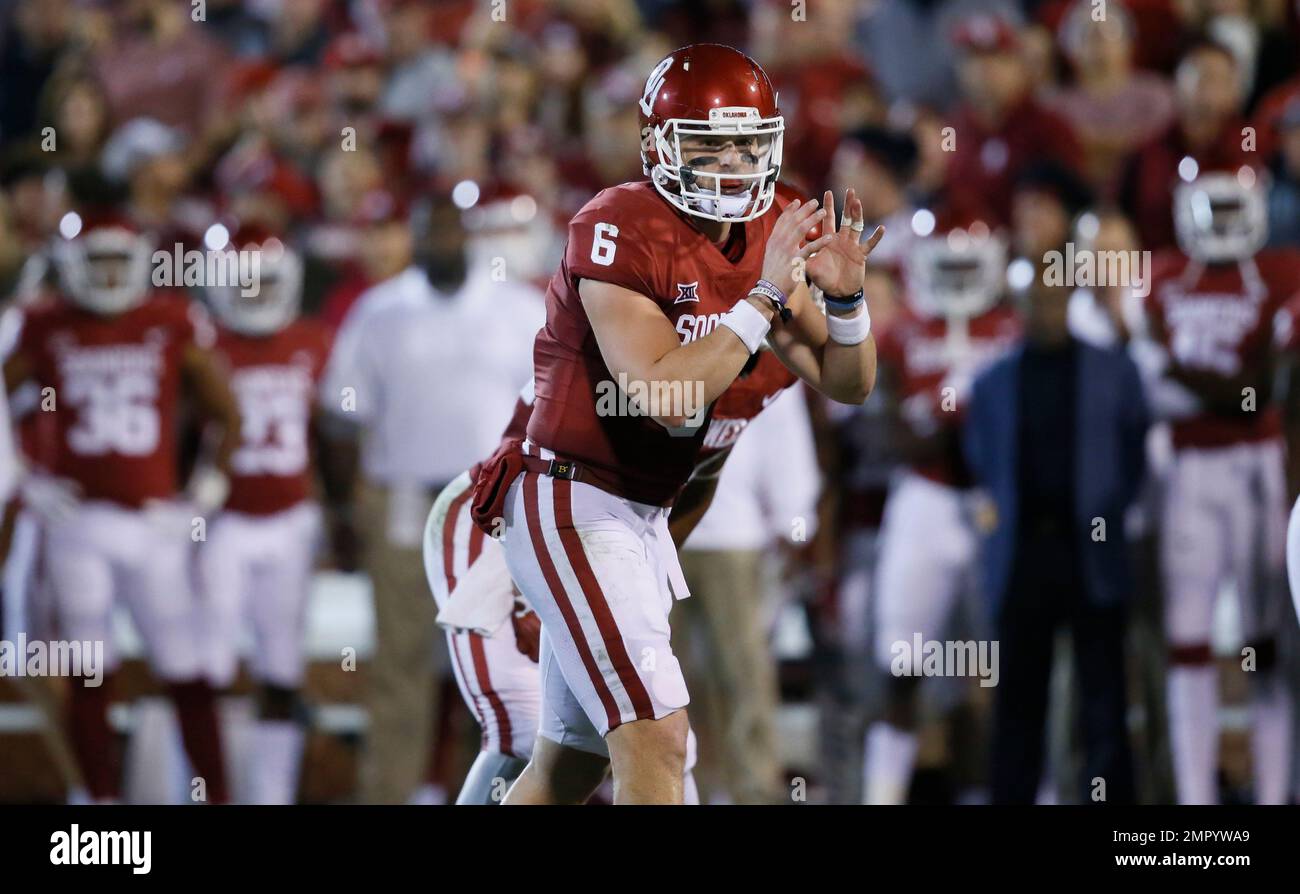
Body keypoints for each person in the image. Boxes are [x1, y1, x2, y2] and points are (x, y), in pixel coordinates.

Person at [494, 42, 881, 806]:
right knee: (658, 734)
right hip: (574, 499)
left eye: (749, 146)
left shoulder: (774, 222)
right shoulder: (617, 223)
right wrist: (766, 297)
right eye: (709, 147)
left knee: (570, 767)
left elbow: (849, 382)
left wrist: (845, 303)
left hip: (645, 516)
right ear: (658, 146)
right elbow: (662, 394)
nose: (734, 166)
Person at [2, 211, 240, 804]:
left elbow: (227, 415)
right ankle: (99, 806)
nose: (108, 276)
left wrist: (203, 495)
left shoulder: (170, 320)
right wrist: (23, 481)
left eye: (118, 261)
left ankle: (214, 796)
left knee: (187, 670)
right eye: (97, 262)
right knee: (89, 669)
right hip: (75, 521)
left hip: (152, 523)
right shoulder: (43, 323)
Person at [319, 188, 543, 804]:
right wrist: (343, 508)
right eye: (428, 232)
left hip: (500, 509)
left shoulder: (518, 307)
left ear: (467, 236)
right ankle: (390, 794)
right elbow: (341, 416)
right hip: (406, 504)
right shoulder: (380, 311)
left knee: (507, 674)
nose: (438, 243)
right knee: (401, 668)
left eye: (448, 231)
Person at [1141, 173, 1300, 804]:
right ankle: (1195, 804)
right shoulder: (1163, 278)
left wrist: (1185, 373)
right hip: (1187, 468)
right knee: (1188, 640)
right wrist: (1223, 386)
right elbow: (1224, 387)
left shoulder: (1280, 274)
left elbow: (1260, 392)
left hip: (1257, 463)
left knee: (1266, 640)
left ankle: (1273, 796)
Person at [964, 261, 1148, 805]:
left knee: (1103, 700)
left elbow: (1134, 450)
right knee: (1018, 701)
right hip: (1024, 554)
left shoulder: (1114, 370)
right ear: (1016, 306)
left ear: (1069, 300)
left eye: (1052, 298)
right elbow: (982, 458)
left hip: (1090, 549)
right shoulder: (994, 379)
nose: (1043, 310)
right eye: (1032, 300)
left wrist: (1106, 509)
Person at [863, 226, 1021, 804]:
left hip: (992, 503)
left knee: (993, 667)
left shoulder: (1011, 330)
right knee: (901, 664)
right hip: (925, 501)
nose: (957, 283)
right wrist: (942, 417)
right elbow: (890, 434)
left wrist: (963, 419)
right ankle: (884, 792)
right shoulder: (903, 332)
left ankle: (989, 789)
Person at [200, 229, 333, 804]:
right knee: (206, 669)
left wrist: (335, 513)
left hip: (291, 519)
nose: (254, 294)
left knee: (282, 669)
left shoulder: (314, 341)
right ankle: (207, 789)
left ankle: (270, 795)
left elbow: (331, 437)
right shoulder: (201, 344)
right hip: (220, 523)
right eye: (243, 281)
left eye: (264, 280)